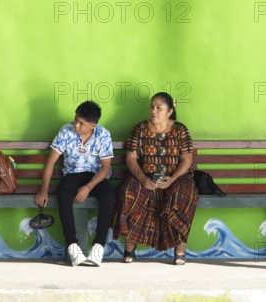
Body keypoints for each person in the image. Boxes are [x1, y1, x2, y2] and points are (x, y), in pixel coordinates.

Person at [112, 92, 198, 265]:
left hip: (175, 178)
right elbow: (131, 158)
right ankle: (129, 249)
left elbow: (187, 160)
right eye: (152, 106)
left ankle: (180, 250)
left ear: (169, 111)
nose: (154, 111)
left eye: (159, 107)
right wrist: (144, 179)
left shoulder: (180, 129)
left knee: (185, 194)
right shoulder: (140, 129)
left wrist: (172, 179)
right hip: (145, 177)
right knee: (129, 193)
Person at [34, 101, 115, 267]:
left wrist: (88, 187)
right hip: (72, 174)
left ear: (93, 125)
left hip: (96, 177)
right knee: (63, 193)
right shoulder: (66, 131)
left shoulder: (103, 135)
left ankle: (98, 247)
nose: (76, 125)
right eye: (75, 120)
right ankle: (73, 246)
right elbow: (50, 162)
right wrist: (43, 190)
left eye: (81, 123)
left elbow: (106, 168)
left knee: (109, 195)